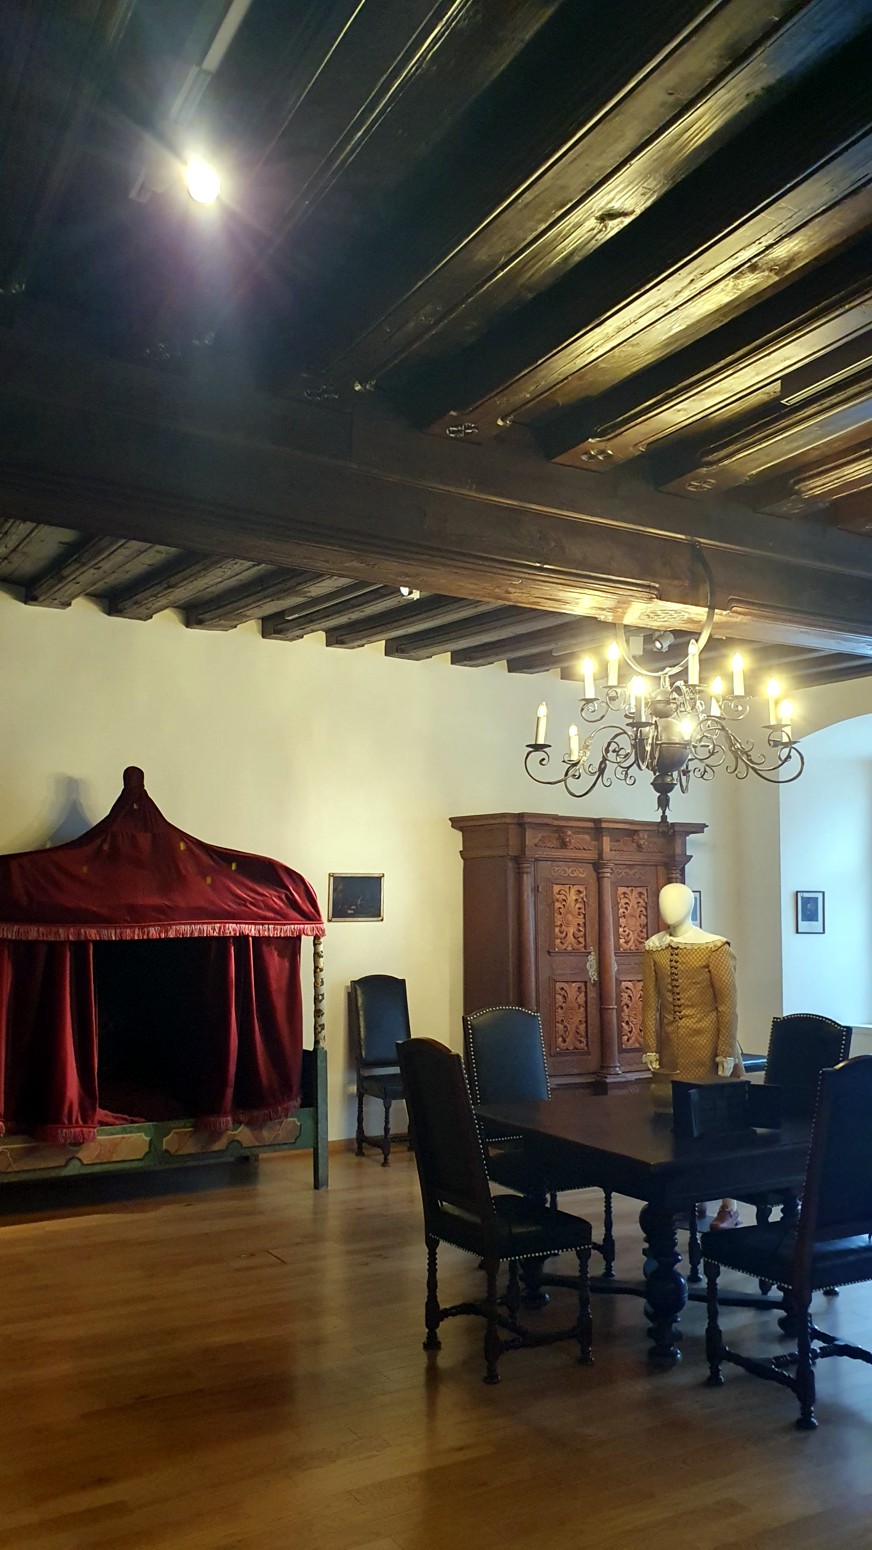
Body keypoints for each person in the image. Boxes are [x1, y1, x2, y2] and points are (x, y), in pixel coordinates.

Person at [642, 882, 743, 1229]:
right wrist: (650, 1045)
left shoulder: (714, 947)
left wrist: (726, 1050)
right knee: (679, 1128)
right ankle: (692, 1197)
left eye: (675, 902)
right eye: (663, 903)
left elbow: (727, 1005)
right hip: (673, 1047)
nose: (668, 909)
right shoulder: (655, 948)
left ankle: (729, 1205)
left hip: (710, 1047)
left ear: (690, 906)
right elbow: (650, 1002)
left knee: (717, 1128)